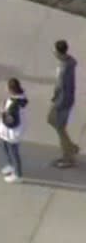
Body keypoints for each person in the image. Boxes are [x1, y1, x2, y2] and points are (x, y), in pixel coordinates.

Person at [48, 40, 78, 168]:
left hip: (62, 101)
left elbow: (60, 87)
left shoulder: (64, 68)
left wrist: (56, 102)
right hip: (66, 100)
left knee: (60, 128)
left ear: (58, 52)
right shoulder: (69, 62)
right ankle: (70, 147)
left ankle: (68, 156)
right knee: (54, 123)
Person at [0, 78, 28, 183]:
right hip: (8, 131)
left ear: (11, 89)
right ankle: (10, 165)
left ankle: (18, 174)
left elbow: (10, 121)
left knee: (13, 151)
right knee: (3, 145)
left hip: (12, 132)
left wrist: (2, 111)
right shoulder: (17, 99)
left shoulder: (15, 104)